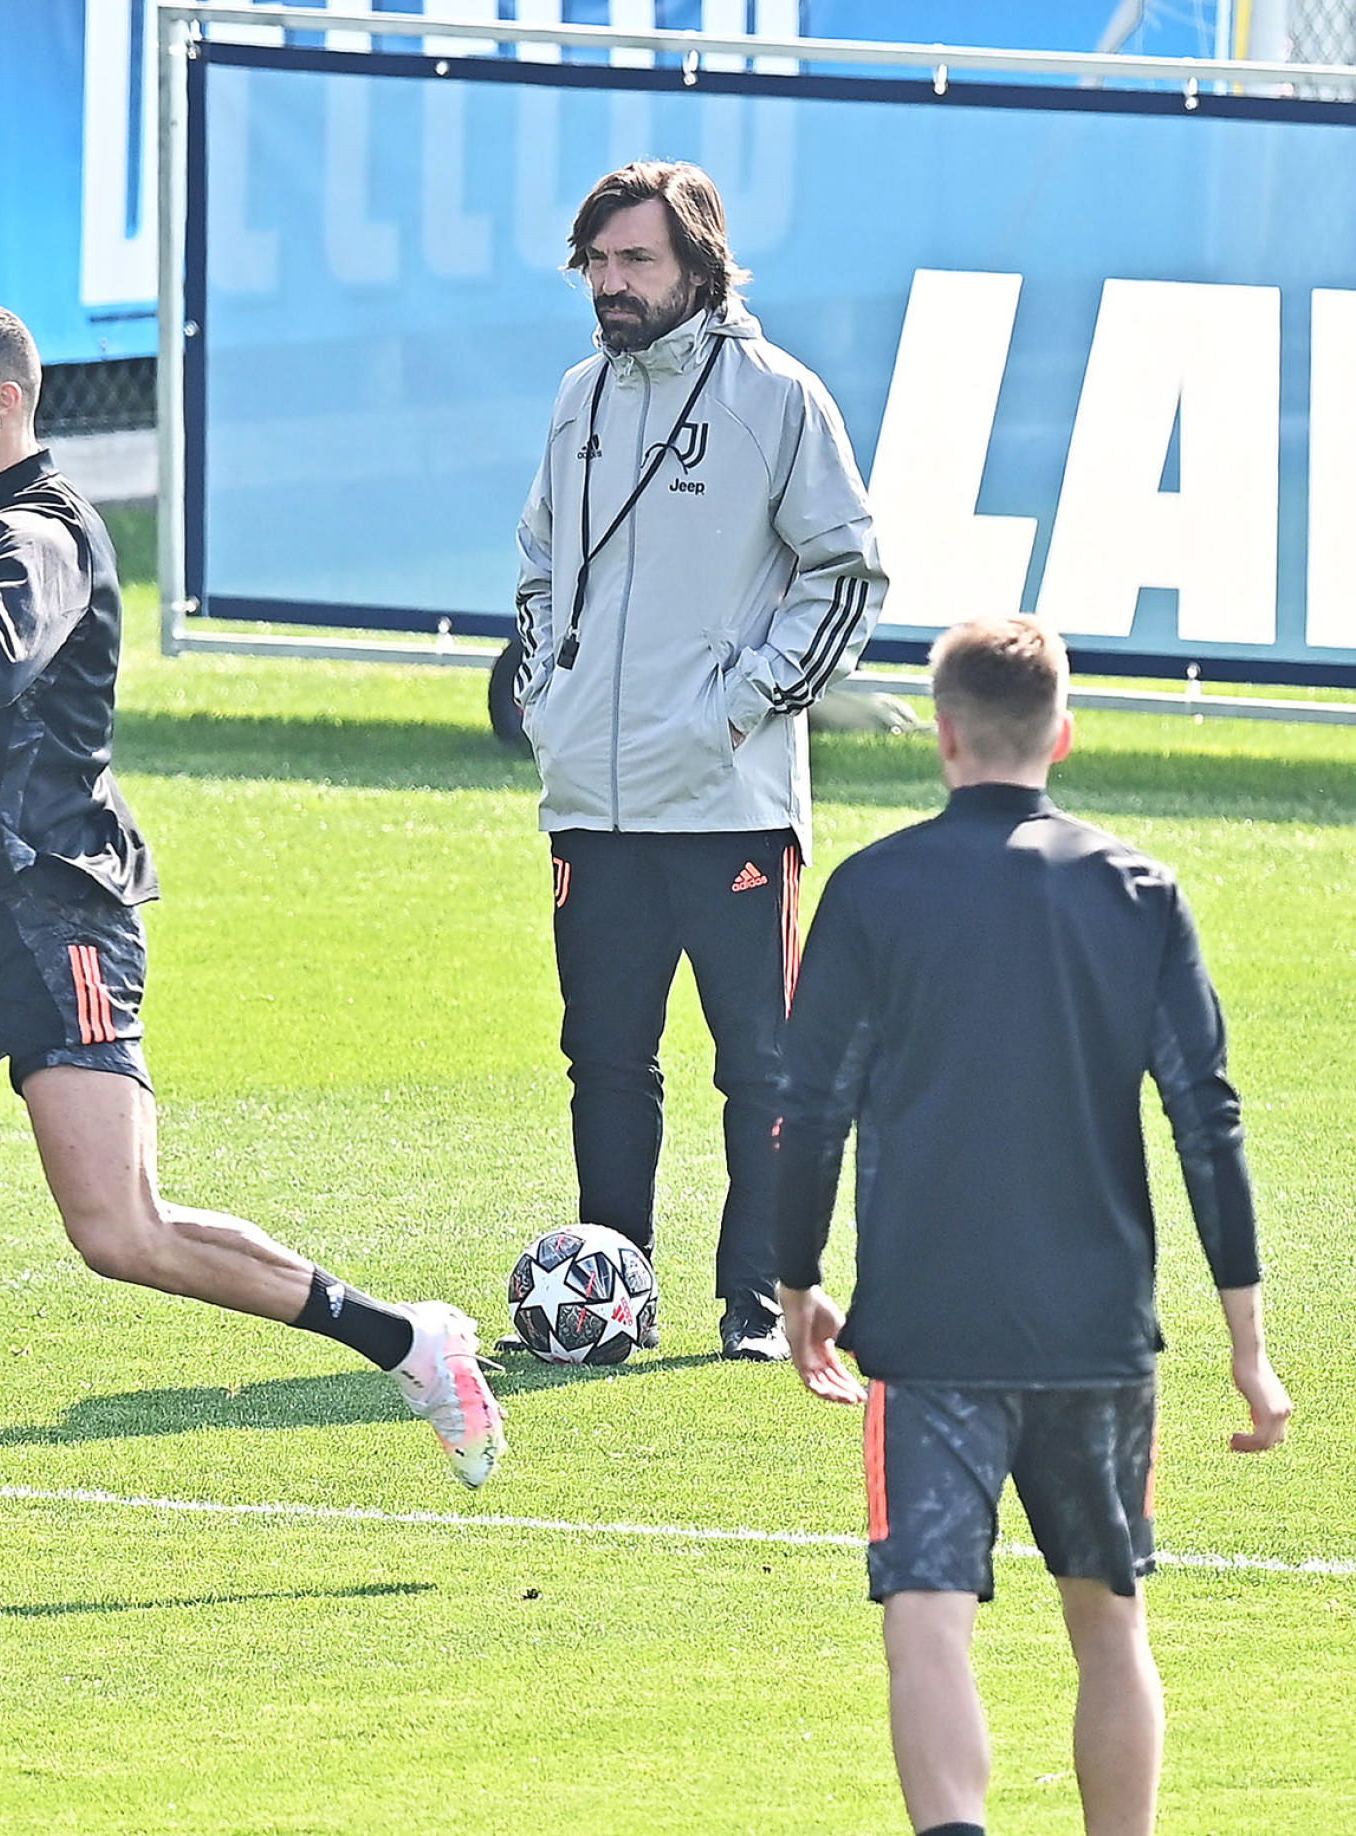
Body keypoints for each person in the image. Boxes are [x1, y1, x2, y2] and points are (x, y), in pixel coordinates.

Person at [0, 304, 503, 1485]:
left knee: (119, 1231)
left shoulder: (36, 532)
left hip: (60, 919)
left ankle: (406, 1338)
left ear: (6, 403)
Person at [773, 616, 1292, 1836]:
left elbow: (811, 1109)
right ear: (1061, 732)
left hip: (930, 1328)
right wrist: (1248, 1347)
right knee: (1110, 1622)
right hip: (1101, 1337)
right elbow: (1206, 1120)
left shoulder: (874, 887)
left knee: (927, 1619)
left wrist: (796, 1282)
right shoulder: (1137, 892)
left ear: (943, 736)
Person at [509, 160, 890, 1361]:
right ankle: (608, 1294)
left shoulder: (778, 397)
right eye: (599, 263)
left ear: (699, 269)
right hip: (590, 801)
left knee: (760, 1068)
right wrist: (547, 697)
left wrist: (740, 705)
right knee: (604, 1059)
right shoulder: (579, 394)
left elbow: (850, 574)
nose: (611, 287)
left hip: (727, 797)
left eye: (637, 263)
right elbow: (535, 566)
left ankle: (761, 1305)